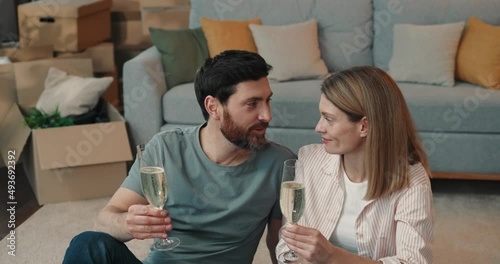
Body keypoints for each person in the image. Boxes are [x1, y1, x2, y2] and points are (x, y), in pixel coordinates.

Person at [63, 50, 296, 264]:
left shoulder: (280, 163)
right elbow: (104, 220)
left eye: (268, 100)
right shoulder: (165, 148)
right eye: (252, 104)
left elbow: (280, 245)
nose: (267, 115)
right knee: (87, 244)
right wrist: (128, 223)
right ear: (213, 107)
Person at [277, 66, 434, 264]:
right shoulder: (310, 160)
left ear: (364, 126)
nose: (318, 127)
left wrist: (332, 256)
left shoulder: (411, 182)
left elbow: (413, 262)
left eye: (329, 119)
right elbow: (287, 241)